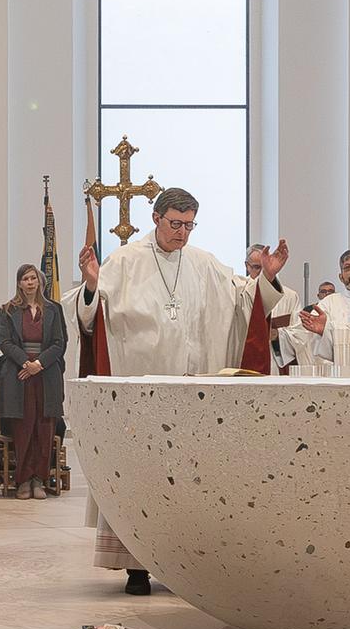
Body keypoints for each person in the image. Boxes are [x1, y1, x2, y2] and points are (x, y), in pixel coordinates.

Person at [72, 186, 260, 591]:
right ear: (156, 218)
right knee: (142, 481)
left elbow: (244, 298)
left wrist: (268, 279)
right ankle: (137, 566)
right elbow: (91, 318)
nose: (183, 233)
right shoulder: (124, 262)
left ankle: (185, 568)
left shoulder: (203, 263)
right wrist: (91, 286)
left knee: (188, 487)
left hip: (191, 403)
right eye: (176, 224)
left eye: (190, 226)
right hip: (142, 402)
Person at [0, 264, 69, 497]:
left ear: (39, 281)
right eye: (25, 278)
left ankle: (40, 478)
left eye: (33, 278)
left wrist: (39, 364)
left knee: (44, 427)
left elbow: (59, 342)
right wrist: (26, 364)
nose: (30, 282)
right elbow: (5, 343)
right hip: (19, 375)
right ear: (19, 283)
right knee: (24, 427)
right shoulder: (8, 310)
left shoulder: (53, 309)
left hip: (46, 374)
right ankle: (23, 479)